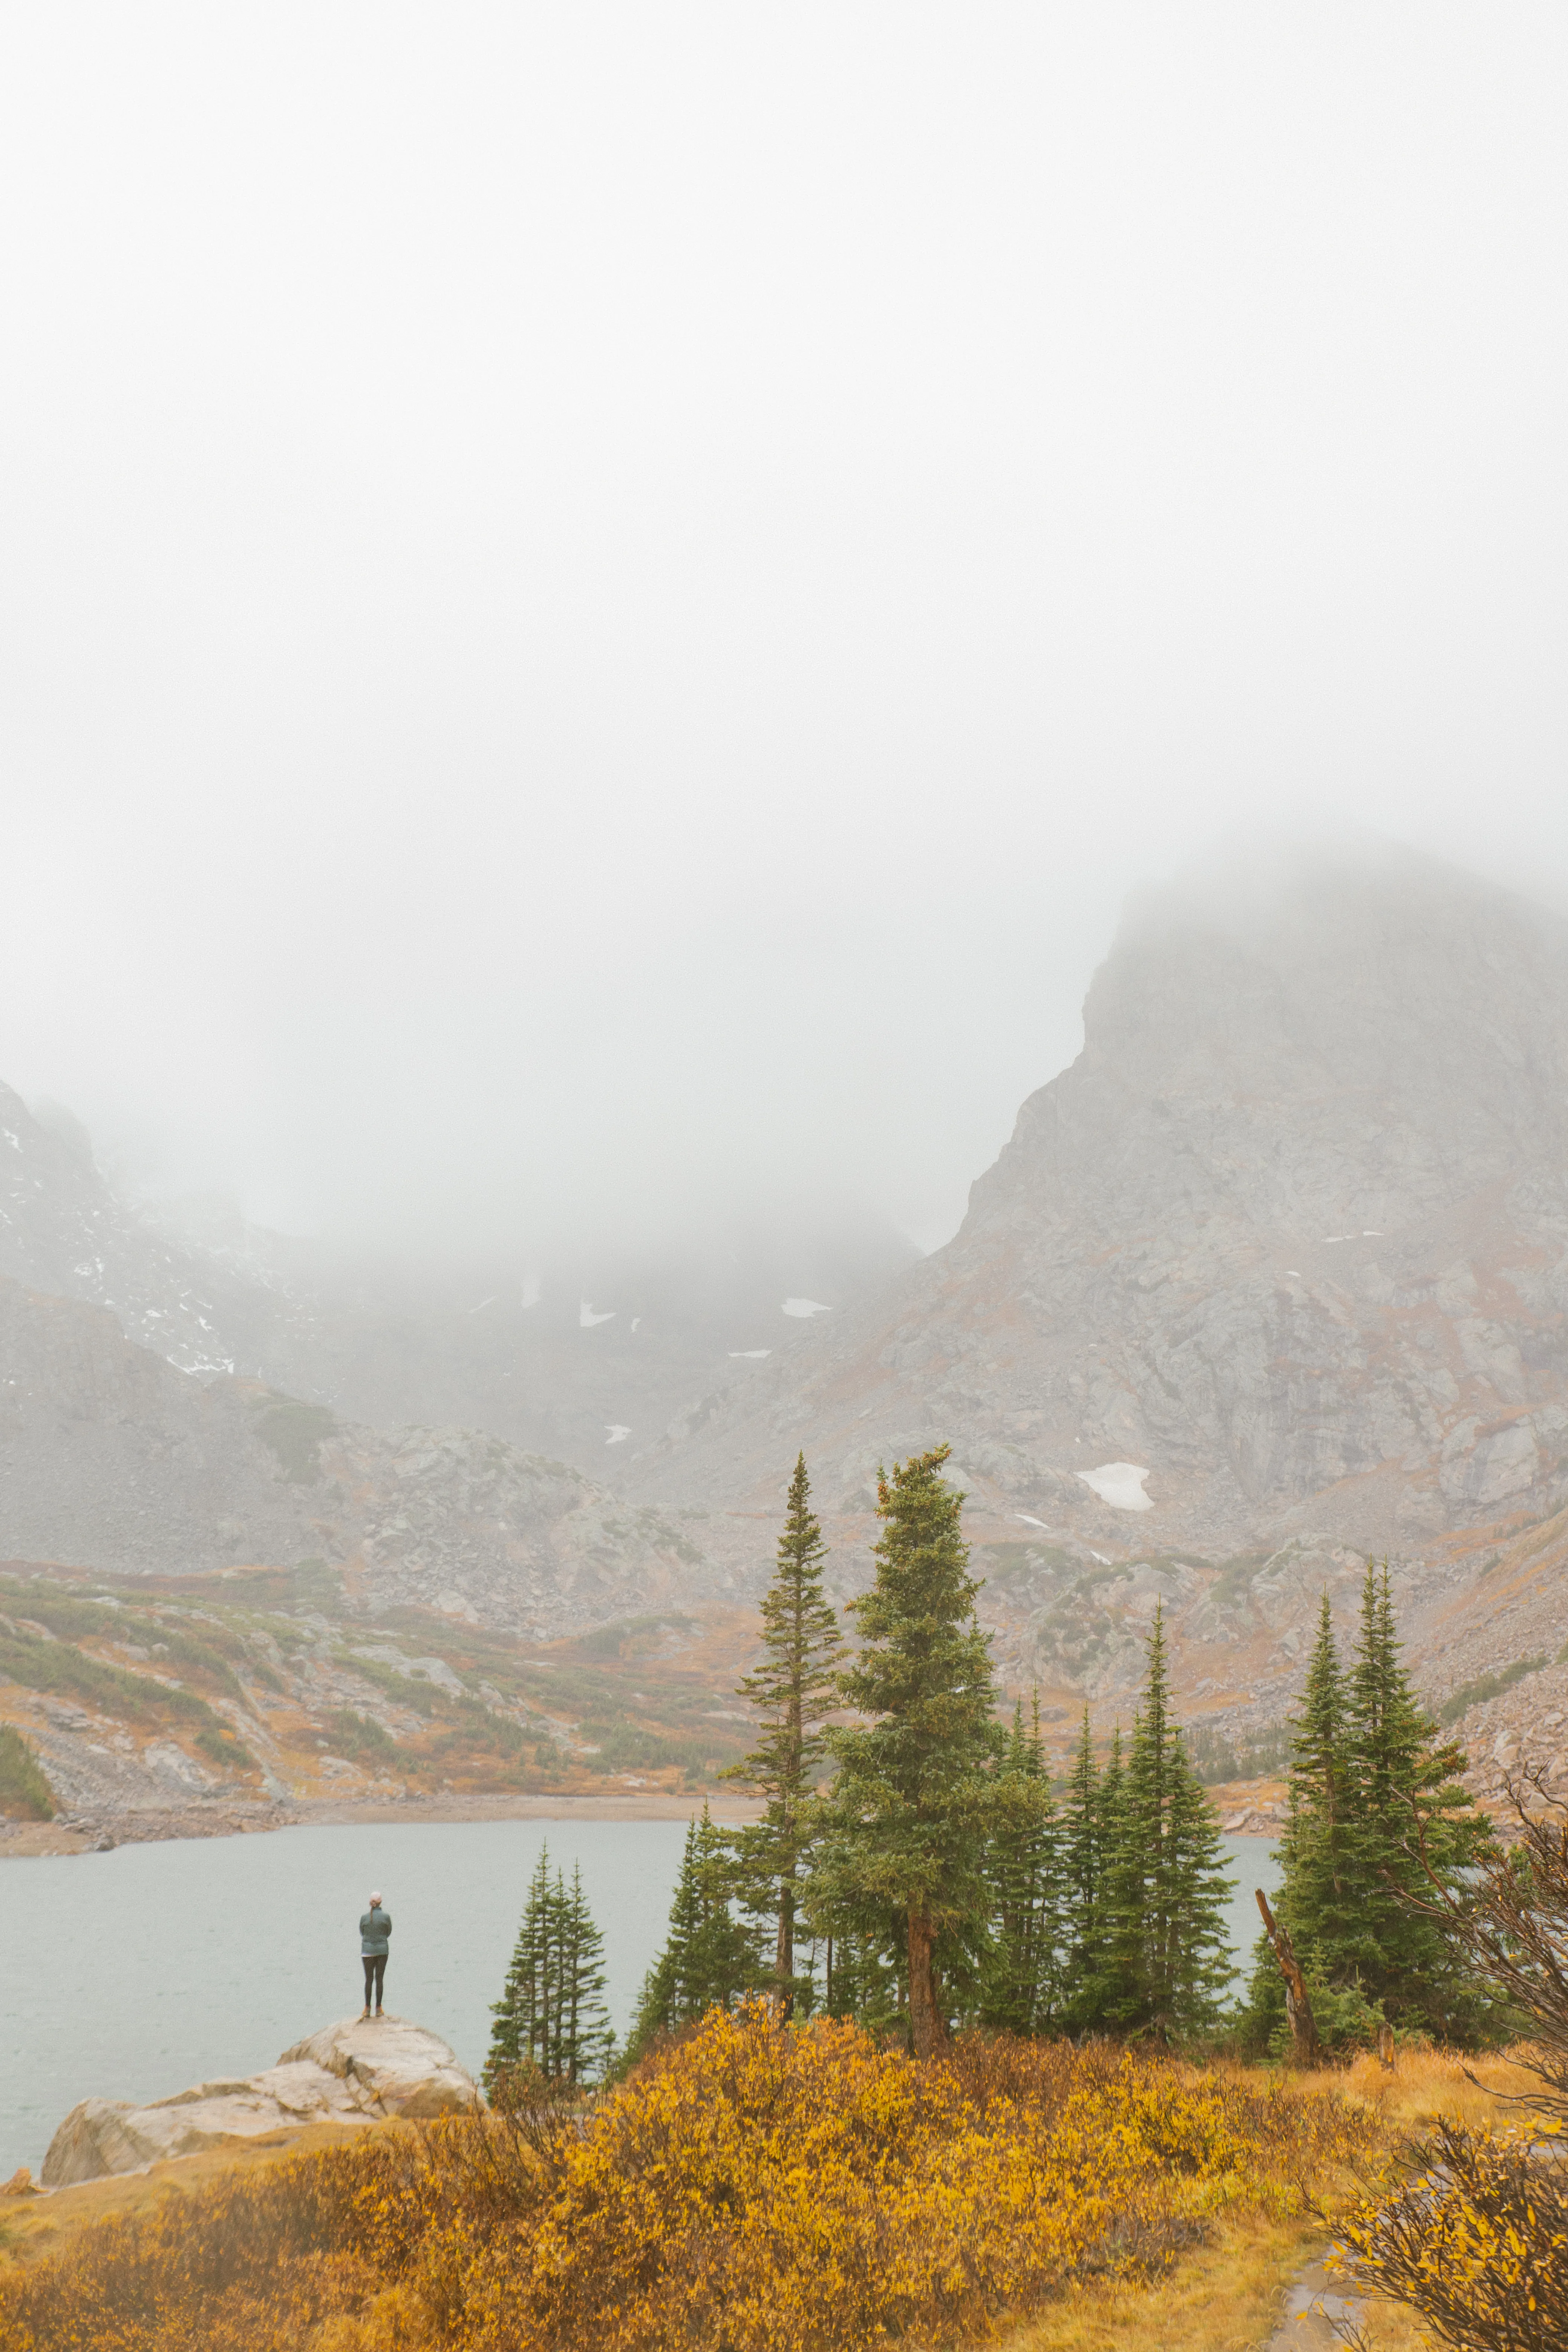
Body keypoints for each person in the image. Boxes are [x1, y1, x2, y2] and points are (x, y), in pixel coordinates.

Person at [359, 1890, 392, 2018]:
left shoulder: (364, 1918)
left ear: (370, 1903)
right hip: (382, 1951)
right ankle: (379, 2009)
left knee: (369, 1980)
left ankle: (367, 2009)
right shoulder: (386, 1917)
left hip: (367, 1952)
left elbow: (362, 1932)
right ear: (381, 1903)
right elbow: (388, 1932)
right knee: (379, 1980)